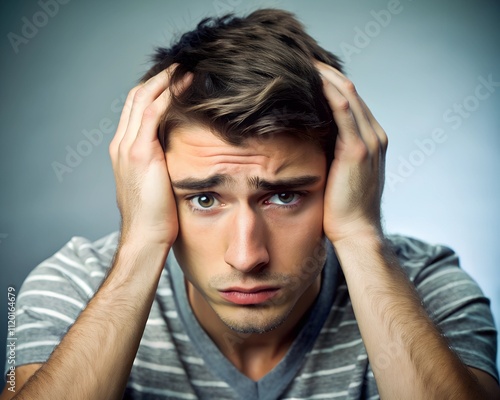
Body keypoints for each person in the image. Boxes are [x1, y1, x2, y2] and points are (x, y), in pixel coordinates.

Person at [1, 8, 499, 400]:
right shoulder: (74, 284)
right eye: (203, 197)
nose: (247, 256)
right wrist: (140, 246)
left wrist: (360, 236)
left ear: (347, 177)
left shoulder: (426, 285)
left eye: (284, 196)